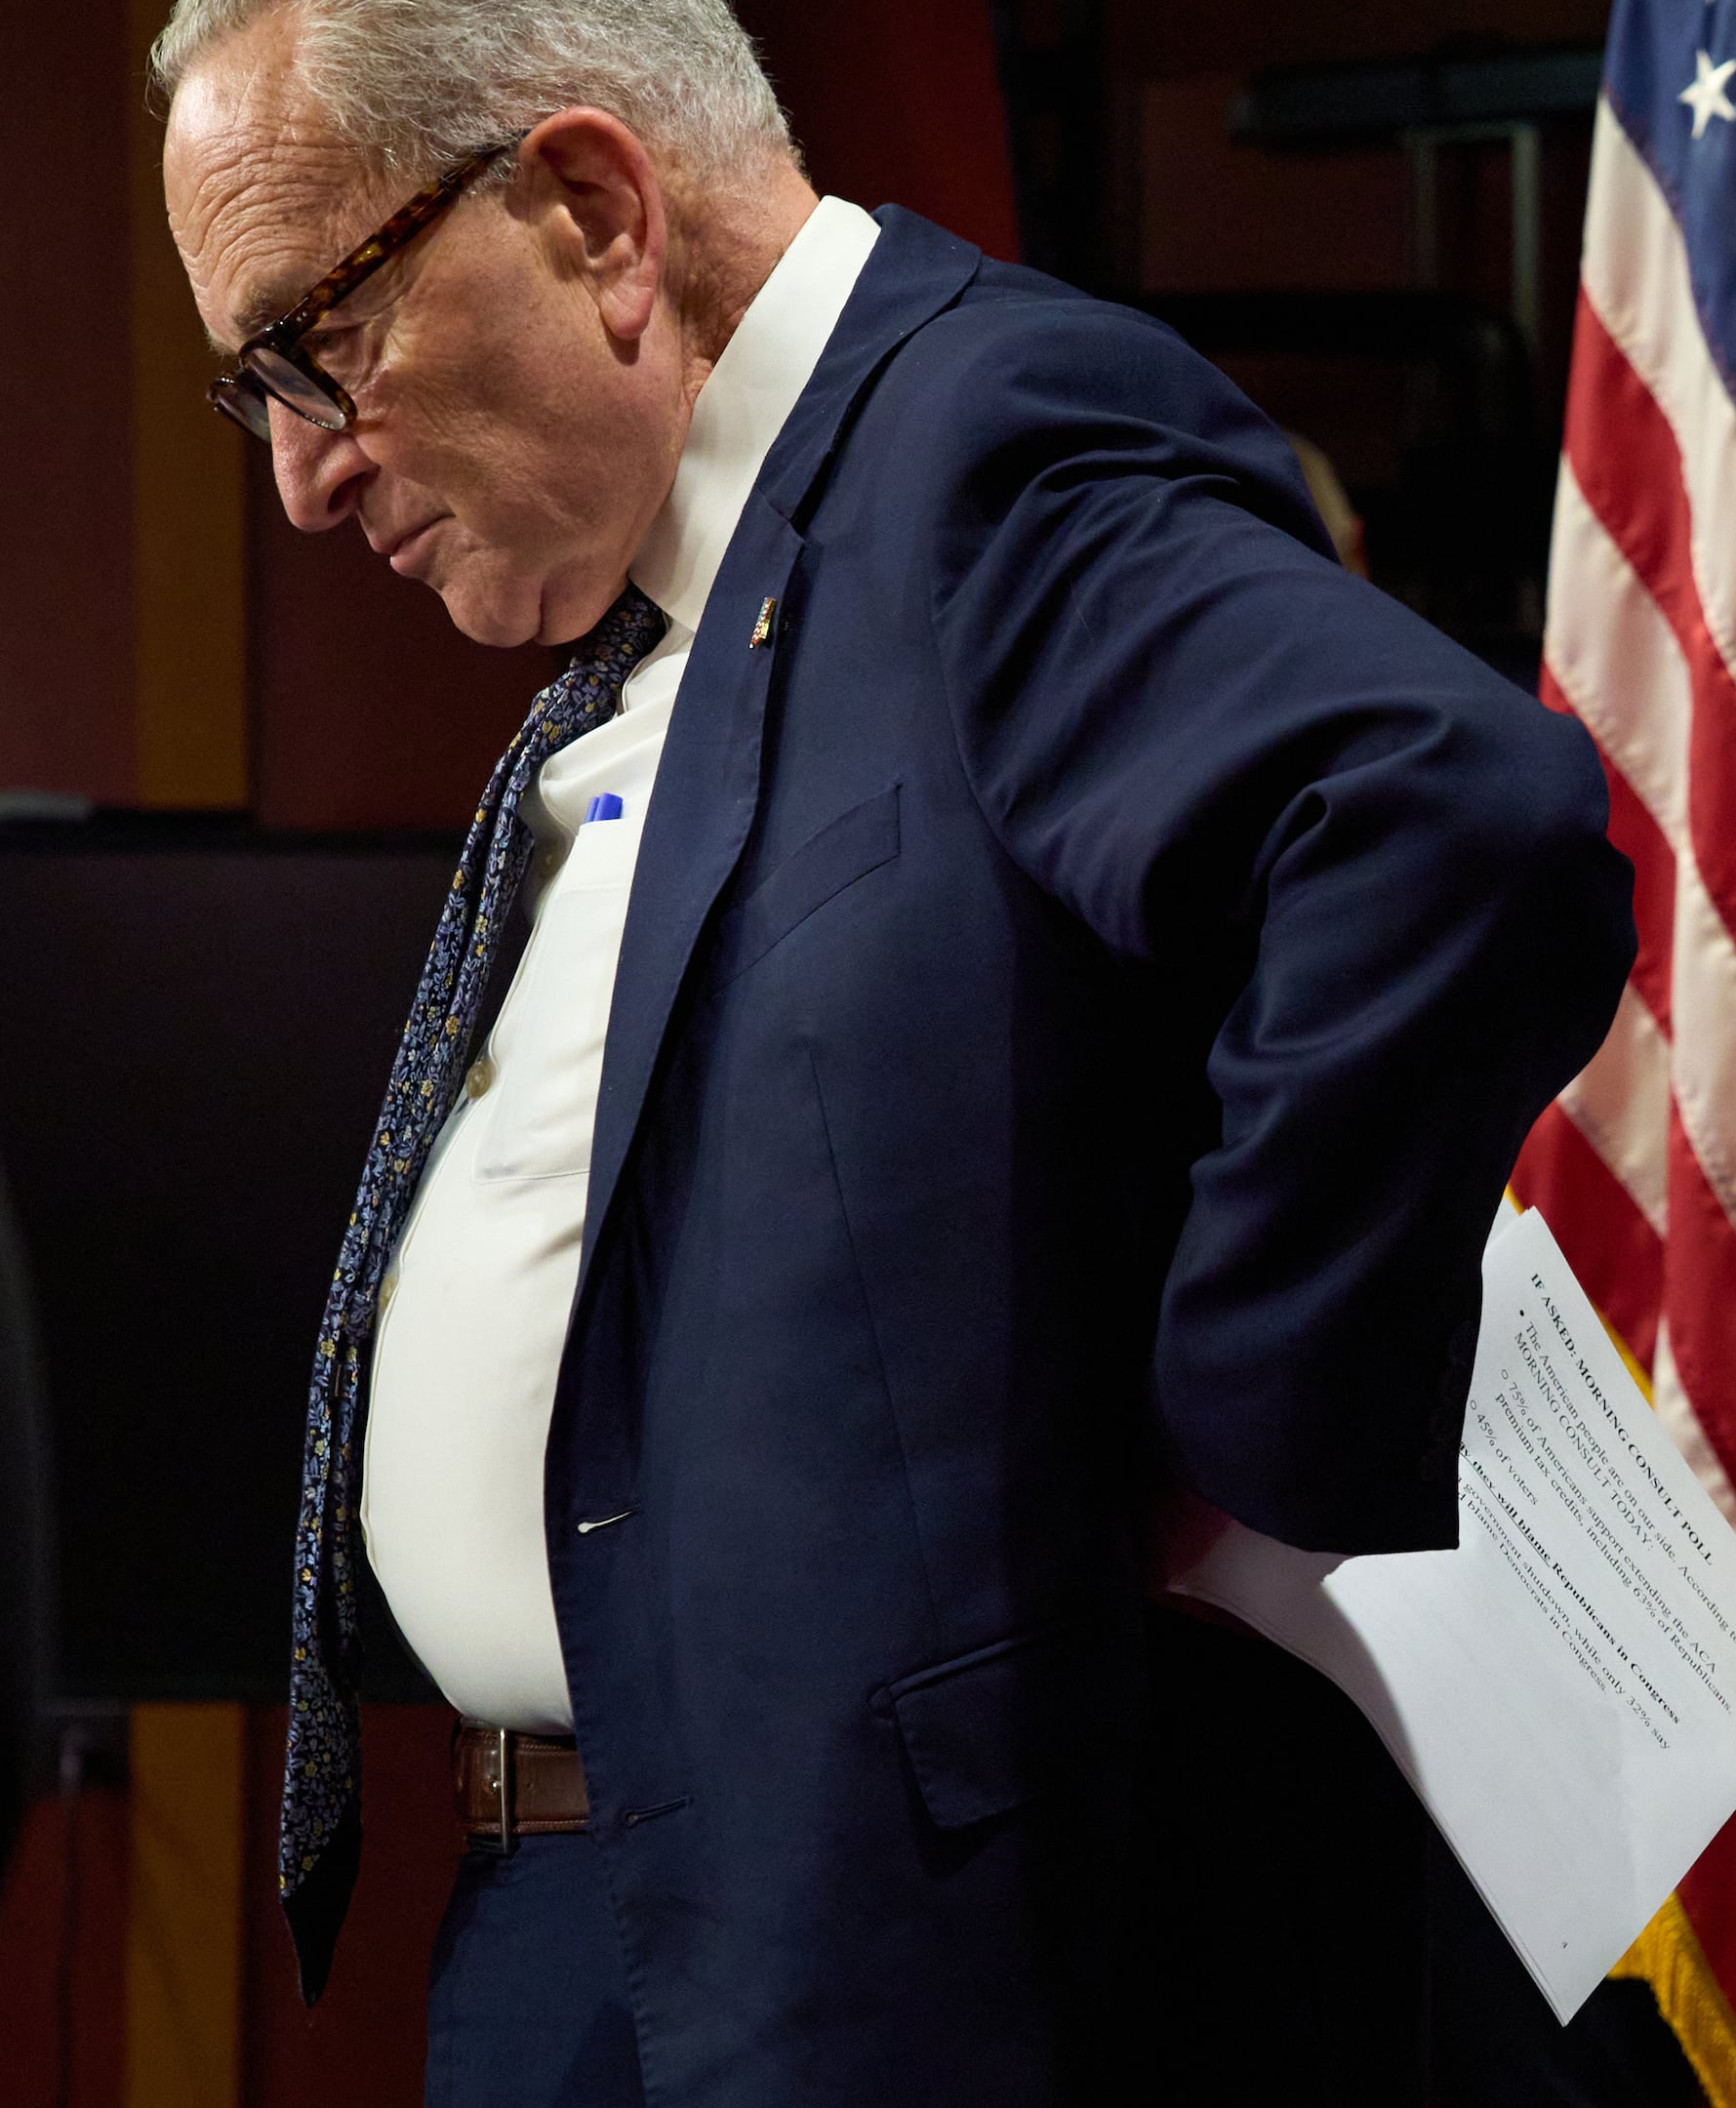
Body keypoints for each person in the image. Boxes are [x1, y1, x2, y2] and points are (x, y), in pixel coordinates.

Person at [151, 2, 1640, 2099]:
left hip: (879, 1951)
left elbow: (1447, 823)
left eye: (318, 345)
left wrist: (1233, 1430)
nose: (303, 478)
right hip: (599, 1911)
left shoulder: (974, 449)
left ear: (592, 212)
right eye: (254, 396)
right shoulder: (699, 574)